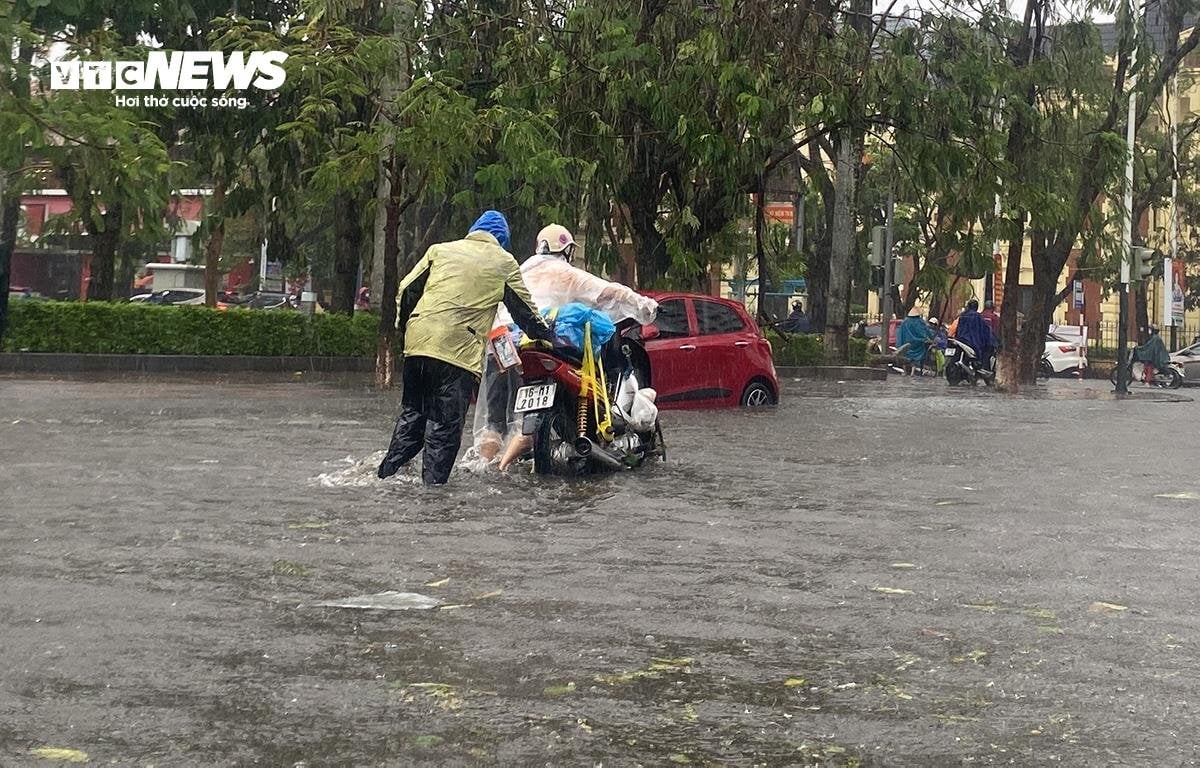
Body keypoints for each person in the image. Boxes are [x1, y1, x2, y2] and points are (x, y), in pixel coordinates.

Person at [377, 210, 553, 485]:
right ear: (501, 241)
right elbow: (525, 312)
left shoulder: (440, 250)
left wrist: (408, 330)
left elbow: (407, 288)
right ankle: (432, 498)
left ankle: (387, 476)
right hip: (456, 354)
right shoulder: (503, 262)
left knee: (412, 416)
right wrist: (546, 336)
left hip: (418, 345)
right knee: (443, 430)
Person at [474, 223, 658, 468]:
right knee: (523, 425)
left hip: (502, 346)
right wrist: (646, 307)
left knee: (494, 424)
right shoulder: (564, 273)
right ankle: (506, 464)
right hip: (539, 344)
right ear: (567, 251)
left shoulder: (518, 271)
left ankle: (485, 467)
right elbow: (609, 292)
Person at [952, 298, 998, 370]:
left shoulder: (962, 315)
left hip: (960, 339)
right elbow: (986, 330)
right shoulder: (978, 316)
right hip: (973, 342)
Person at [895, 307, 935, 374]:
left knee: (904, 355)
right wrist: (930, 339)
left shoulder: (905, 321)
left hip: (905, 343)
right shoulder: (920, 322)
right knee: (916, 356)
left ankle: (905, 371)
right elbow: (925, 332)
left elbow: (900, 334)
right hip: (917, 343)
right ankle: (912, 372)